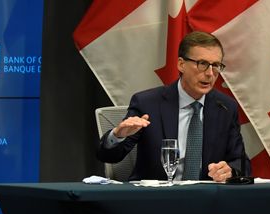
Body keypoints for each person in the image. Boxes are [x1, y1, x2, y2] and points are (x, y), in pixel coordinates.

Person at [97, 31, 248, 182]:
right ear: (181, 64)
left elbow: (241, 164)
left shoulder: (225, 108)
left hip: (206, 199)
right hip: (158, 199)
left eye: (215, 65)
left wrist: (230, 171)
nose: (210, 73)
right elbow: (109, 156)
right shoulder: (147, 104)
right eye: (202, 64)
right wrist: (118, 135)